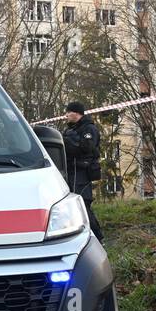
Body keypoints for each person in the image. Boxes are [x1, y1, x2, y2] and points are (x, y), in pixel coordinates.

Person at [62, 101, 105, 243]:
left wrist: (69, 144)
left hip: (82, 172)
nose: (66, 115)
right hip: (71, 172)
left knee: (83, 205)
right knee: (73, 207)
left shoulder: (89, 128)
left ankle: (98, 238)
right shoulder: (70, 130)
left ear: (77, 113)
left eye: (69, 112)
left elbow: (87, 148)